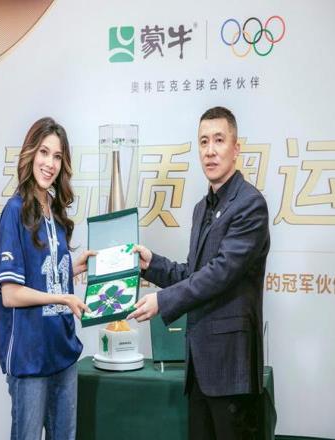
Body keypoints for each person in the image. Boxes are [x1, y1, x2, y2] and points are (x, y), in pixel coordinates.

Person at [129, 106, 270, 440]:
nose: (210, 150)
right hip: (200, 369)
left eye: (219, 140)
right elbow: (194, 274)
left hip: (231, 371)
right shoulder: (201, 208)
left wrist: (162, 301)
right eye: (203, 141)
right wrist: (153, 264)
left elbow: (220, 274)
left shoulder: (250, 204)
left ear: (236, 148)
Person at [0, 117, 94, 440]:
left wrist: (74, 267)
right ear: (30, 153)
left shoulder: (57, 211)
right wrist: (63, 298)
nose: (50, 163)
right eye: (44, 152)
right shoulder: (15, 210)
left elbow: (45, 274)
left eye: (57, 156)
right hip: (30, 356)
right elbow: (11, 294)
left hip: (62, 350)